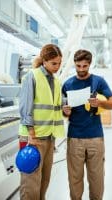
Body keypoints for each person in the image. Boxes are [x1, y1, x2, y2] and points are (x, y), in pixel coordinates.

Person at [62, 49, 112, 200]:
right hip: (74, 138)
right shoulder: (67, 85)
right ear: (74, 64)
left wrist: (100, 102)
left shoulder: (98, 81)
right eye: (78, 66)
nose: (81, 69)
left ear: (90, 64)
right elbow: (63, 110)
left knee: (97, 178)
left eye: (84, 66)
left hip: (95, 138)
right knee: (74, 179)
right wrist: (65, 111)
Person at [18, 44, 65, 200]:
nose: (57, 67)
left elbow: (54, 108)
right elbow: (26, 107)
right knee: (31, 183)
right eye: (54, 63)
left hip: (49, 137)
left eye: (59, 63)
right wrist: (31, 133)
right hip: (34, 138)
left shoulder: (56, 81)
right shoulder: (32, 76)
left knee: (44, 181)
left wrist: (65, 110)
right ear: (44, 61)